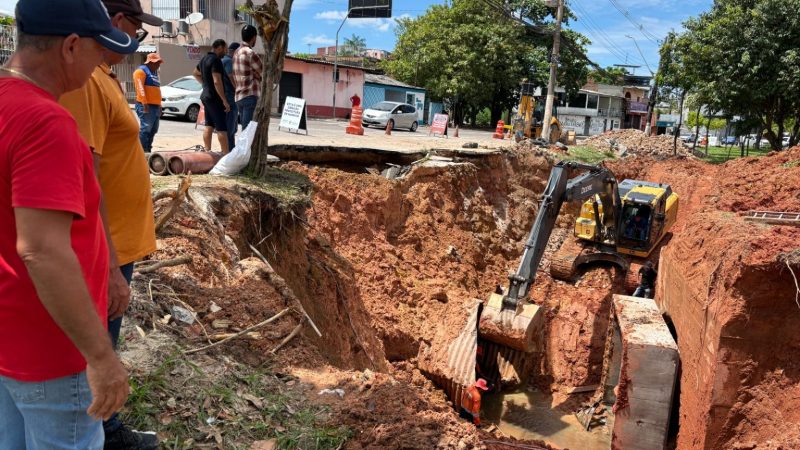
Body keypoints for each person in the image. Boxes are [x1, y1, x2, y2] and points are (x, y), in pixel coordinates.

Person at [0, 0, 135, 448]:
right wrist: (100, 356)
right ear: (72, 47)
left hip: (11, 337)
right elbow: (41, 249)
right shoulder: (46, 122)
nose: (101, 63)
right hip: (54, 351)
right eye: (100, 51)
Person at [59, 0, 160, 448]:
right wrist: (113, 266)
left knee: (104, 346)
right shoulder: (85, 85)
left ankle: (103, 428)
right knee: (95, 353)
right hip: (106, 248)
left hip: (117, 244)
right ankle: (99, 433)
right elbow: (87, 176)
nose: (138, 38)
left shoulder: (103, 79)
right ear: (117, 22)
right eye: (137, 27)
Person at [194, 39, 231, 154]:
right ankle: (225, 155)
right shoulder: (216, 60)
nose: (226, 52)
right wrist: (224, 100)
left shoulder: (204, 59)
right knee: (221, 127)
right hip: (215, 98)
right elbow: (217, 81)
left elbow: (195, 72)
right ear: (219, 47)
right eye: (225, 49)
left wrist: (205, 84)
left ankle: (207, 151)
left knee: (209, 125)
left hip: (205, 96)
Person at [233, 24, 262, 131]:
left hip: (239, 96)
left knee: (244, 129)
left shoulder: (236, 52)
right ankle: (245, 148)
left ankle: (243, 147)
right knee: (248, 131)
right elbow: (262, 70)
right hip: (250, 94)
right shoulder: (250, 53)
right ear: (254, 37)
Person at [133, 52, 163, 152]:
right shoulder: (141, 71)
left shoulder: (154, 73)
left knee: (153, 130)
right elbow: (140, 87)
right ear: (150, 62)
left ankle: (148, 150)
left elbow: (156, 90)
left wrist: (159, 104)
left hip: (155, 106)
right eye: (157, 63)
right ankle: (141, 151)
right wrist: (144, 103)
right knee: (146, 129)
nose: (158, 65)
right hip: (146, 105)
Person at [222, 41, 240, 150]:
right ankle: (231, 149)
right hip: (230, 96)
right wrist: (238, 89)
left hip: (226, 95)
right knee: (231, 126)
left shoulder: (222, 60)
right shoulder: (228, 61)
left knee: (229, 125)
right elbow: (230, 76)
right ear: (234, 51)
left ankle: (227, 148)